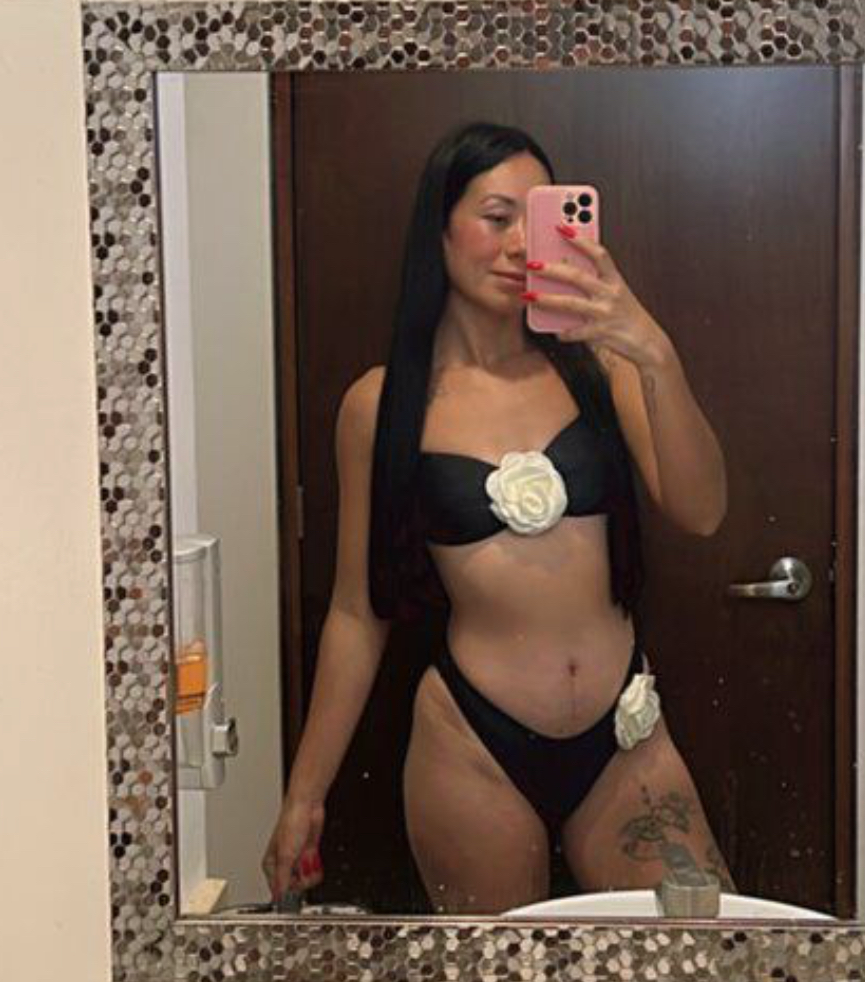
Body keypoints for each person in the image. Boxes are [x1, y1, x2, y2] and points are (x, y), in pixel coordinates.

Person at [263, 120, 732, 913]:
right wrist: (305, 797)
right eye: (495, 217)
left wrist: (653, 350)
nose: (520, 244)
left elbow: (704, 511)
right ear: (440, 229)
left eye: (537, 218)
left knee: (699, 956)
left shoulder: (604, 367)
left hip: (625, 736)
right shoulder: (382, 406)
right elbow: (355, 611)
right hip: (472, 744)